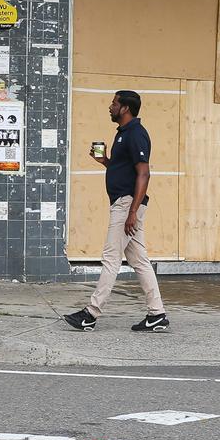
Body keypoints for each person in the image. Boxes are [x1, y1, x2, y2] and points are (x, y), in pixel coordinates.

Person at [64, 90, 168, 333]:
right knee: (139, 260)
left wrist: (132, 212)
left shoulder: (136, 134)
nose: (110, 107)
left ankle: (90, 314)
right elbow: (125, 170)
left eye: (114, 103)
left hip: (126, 205)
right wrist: (106, 162)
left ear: (125, 108)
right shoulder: (123, 134)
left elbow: (144, 173)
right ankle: (157, 314)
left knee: (111, 258)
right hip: (124, 204)